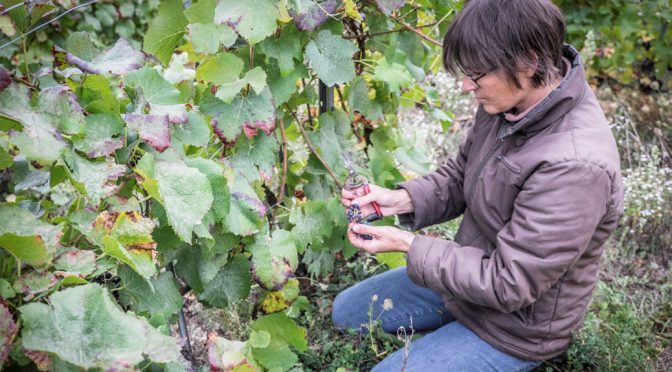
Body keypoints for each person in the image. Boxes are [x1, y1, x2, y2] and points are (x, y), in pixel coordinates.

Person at [333, 0, 624, 370]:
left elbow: (509, 283)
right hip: (465, 285)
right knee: (346, 313)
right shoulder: (509, 102)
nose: (467, 85)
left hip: (515, 325)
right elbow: (461, 174)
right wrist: (399, 200)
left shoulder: (576, 165)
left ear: (528, 61)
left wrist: (408, 245)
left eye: (476, 74)